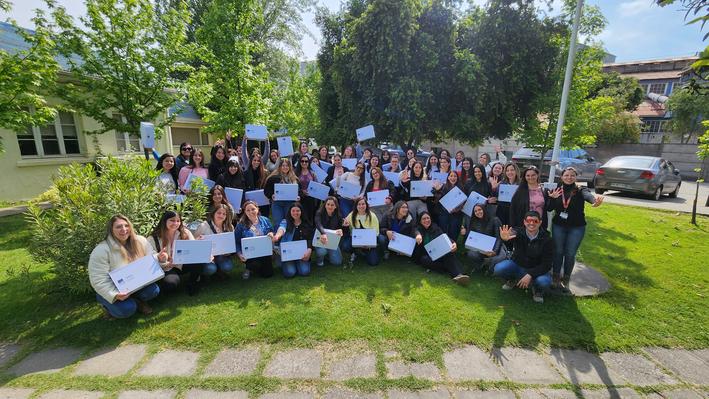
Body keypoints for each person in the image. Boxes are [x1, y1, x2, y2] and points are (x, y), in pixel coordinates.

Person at [88, 215, 161, 319]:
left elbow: (151, 257)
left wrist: (159, 258)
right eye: (118, 227)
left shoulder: (140, 240)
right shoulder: (101, 250)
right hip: (114, 289)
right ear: (111, 230)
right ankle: (108, 308)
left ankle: (138, 301)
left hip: (135, 284)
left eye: (126, 225)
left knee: (153, 290)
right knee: (127, 309)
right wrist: (114, 295)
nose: (124, 229)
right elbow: (98, 279)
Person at [547, 167, 604, 292]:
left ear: (575, 177)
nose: (569, 177)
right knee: (558, 252)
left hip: (577, 228)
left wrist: (594, 201)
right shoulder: (556, 189)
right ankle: (556, 277)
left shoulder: (580, 189)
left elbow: (588, 195)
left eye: (572, 175)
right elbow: (549, 209)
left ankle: (566, 280)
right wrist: (551, 198)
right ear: (561, 177)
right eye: (566, 175)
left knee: (570, 253)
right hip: (559, 226)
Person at [494, 211, 553, 303]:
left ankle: (538, 290)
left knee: (544, 282)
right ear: (524, 222)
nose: (531, 223)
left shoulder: (547, 239)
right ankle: (512, 280)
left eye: (535, 221)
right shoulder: (518, 232)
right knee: (499, 268)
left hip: (537, 270)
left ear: (540, 222)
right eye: (528, 221)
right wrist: (504, 239)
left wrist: (530, 274)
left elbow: (547, 264)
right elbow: (509, 240)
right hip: (519, 266)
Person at [149, 211, 204, 296]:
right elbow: (150, 260)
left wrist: (198, 245)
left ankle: (192, 283)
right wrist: (163, 262)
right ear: (164, 221)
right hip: (166, 267)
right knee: (171, 284)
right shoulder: (153, 238)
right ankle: (159, 288)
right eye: (172, 220)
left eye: (178, 221)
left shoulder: (185, 232)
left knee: (199, 261)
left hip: (181, 264)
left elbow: (193, 250)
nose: (175, 223)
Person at [414, 212, 470, 286]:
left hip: (439, 253)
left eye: (428, 218)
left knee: (448, 252)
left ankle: (458, 275)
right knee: (424, 260)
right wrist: (418, 235)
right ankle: (452, 269)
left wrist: (454, 243)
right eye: (424, 219)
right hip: (428, 256)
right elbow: (414, 231)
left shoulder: (435, 227)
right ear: (420, 221)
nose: (426, 220)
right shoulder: (418, 229)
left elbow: (444, 237)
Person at [234, 201, 277, 279]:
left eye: (253, 209)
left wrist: (271, 234)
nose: (251, 212)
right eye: (248, 210)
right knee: (255, 265)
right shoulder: (241, 225)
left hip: (264, 251)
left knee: (268, 274)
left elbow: (273, 231)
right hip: (250, 253)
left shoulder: (265, 220)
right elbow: (236, 242)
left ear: (257, 209)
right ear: (245, 212)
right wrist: (240, 254)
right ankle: (249, 268)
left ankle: (257, 267)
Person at [461, 203, 507, 273]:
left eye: (479, 209)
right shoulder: (474, 221)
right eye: (475, 211)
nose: (478, 212)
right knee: (471, 254)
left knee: (501, 256)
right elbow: (472, 237)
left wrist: (494, 251)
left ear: (484, 209)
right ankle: (480, 265)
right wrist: (465, 233)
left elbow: (499, 238)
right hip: (481, 246)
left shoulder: (495, 220)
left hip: (495, 246)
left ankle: (489, 267)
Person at [194, 204, 235, 279]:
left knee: (227, 267)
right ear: (214, 213)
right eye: (219, 213)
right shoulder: (204, 226)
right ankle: (204, 275)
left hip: (222, 255)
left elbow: (231, 244)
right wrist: (198, 240)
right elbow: (194, 242)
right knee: (210, 269)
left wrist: (228, 251)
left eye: (224, 214)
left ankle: (219, 273)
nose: (221, 215)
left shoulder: (229, 227)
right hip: (207, 256)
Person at [274, 202, 314, 278]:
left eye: (298, 211)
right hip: (288, 253)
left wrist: (309, 249)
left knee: (304, 272)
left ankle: (297, 262)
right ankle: (286, 262)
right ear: (290, 212)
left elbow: (310, 238)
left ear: (301, 212)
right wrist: (277, 236)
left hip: (302, 253)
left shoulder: (306, 224)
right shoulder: (285, 222)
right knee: (290, 273)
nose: (295, 213)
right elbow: (281, 229)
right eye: (293, 211)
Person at [342, 197, 380, 266]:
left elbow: (376, 233)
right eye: (359, 204)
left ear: (366, 205)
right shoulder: (351, 215)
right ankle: (355, 251)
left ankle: (363, 252)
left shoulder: (372, 216)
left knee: (373, 262)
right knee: (345, 246)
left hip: (369, 242)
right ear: (356, 206)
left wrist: (369, 244)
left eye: (363, 204)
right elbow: (345, 229)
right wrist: (345, 225)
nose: (361, 206)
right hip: (355, 239)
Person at [263, 158, 300, 225]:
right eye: (283, 165)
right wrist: (272, 195)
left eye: (287, 166)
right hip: (277, 204)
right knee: (278, 222)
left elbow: (299, 191)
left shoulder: (294, 179)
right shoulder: (273, 178)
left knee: (289, 222)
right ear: (280, 167)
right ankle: (278, 235)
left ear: (290, 167)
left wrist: (298, 196)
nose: (285, 167)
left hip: (290, 203)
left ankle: (288, 235)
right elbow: (266, 190)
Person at [313, 196, 345, 267]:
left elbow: (339, 228)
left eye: (332, 205)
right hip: (320, 237)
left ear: (335, 206)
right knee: (322, 252)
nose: (330, 206)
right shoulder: (319, 213)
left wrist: (341, 230)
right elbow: (318, 223)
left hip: (331, 240)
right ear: (325, 205)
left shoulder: (338, 215)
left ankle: (327, 255)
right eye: (328, 204)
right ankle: (319, 260)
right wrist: (323, 233)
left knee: (337, 262)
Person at [433, 171, 465, 241]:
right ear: (448, 177)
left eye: (455, 176)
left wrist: (456, 209)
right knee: (443, 230)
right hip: (443, 213)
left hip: (456, 214)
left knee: (453, 231)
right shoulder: (443, 187)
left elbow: (463, 201)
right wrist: (437, 191)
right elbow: (437, 200)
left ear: (457, 178)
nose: (453, 178)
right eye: (451, 176)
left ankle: (453, 246)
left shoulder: (461, 187)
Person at [496, 162, 521, 226]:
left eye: (512, 170)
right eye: (507, 170)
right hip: (502, 212)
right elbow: (497, 198)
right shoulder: (501, 184)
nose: (510, 172)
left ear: (516, 171)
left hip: (516, 212)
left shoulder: (521, 184)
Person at [295, 156, 319, 221]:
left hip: (311, 198)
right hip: (300, 198)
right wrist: (302, 191)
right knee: (301, 215)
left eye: (306, 161)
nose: (304, 163)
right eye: (302, 161)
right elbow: (294, 186)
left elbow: (316, 185)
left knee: (310, 215)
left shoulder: (312, 173)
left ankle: (310, 229)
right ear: (300, 162)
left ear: (309, 163)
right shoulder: (296, 173)